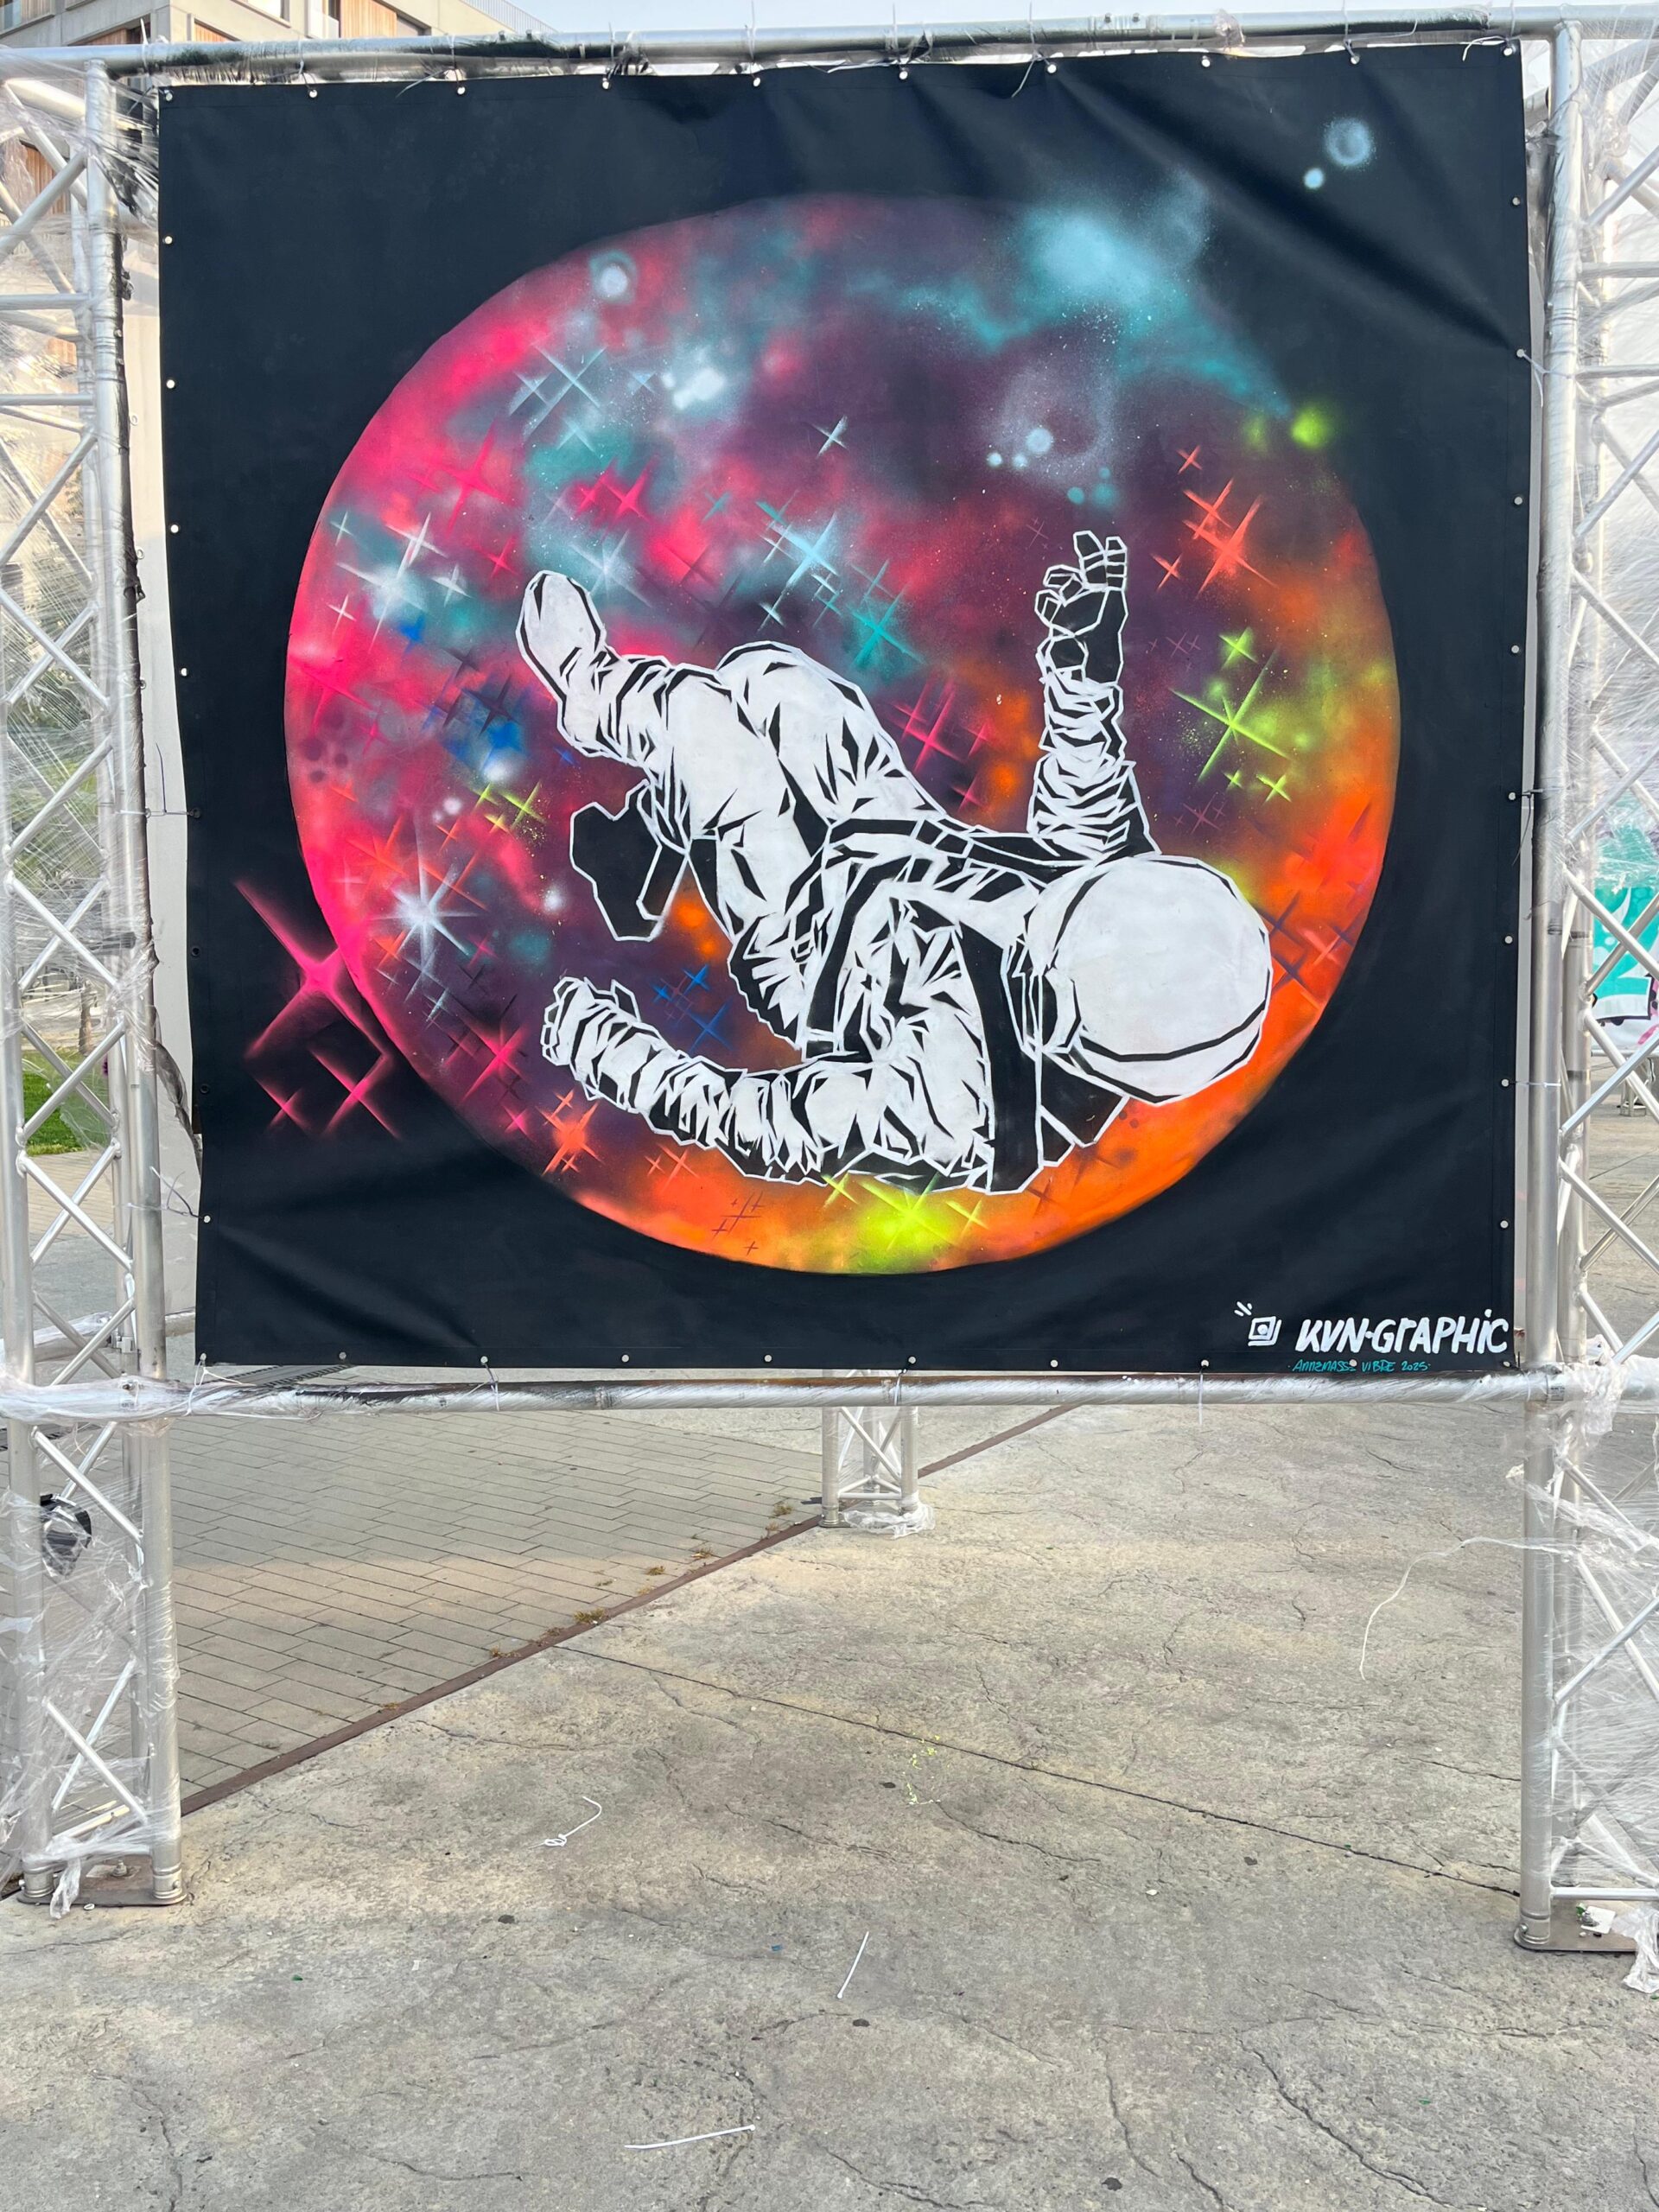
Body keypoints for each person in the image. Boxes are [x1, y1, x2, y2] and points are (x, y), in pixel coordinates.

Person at [518, 530, 1271, 1192]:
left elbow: (770, 1126)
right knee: (770, 683)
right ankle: (645, 843)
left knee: (707, 731)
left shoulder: (958, 1108)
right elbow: (1089, 818)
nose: (1021, 933)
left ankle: (589, 690)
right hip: (894, 841)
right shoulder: (1113, 926)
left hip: (804, 941)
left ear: (1081, 1045)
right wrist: (1081, 682)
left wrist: (618, 1059)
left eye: (1038, 976)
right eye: (1055, 915)